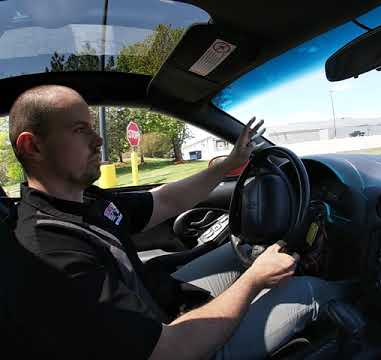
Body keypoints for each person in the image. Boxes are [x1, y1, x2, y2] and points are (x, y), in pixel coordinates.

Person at [8, 85, 352, 360]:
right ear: (33, 146)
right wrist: (253, 282)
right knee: (308, 290)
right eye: (80, 129)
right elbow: (166, 350)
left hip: (157, 307)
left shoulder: (86, 201)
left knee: (239, 256)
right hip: (173, 345)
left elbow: (167, 200)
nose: (98, 140)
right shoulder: (50, 252)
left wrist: (227, 164)